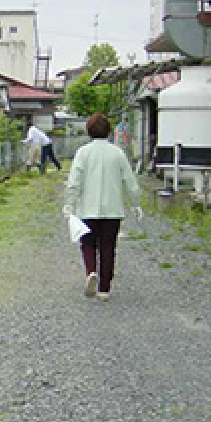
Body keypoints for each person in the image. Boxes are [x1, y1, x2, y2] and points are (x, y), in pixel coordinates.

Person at [63, 112, 142, 302]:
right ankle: (104, 288)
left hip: (87, 209)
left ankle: (91, 271)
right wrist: (135, 203)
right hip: (112, 210)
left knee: (88, 243)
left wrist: (69, 205)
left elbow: (74, 182)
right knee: (108, 247)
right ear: (108, 131)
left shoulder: (83, 153)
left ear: (89, 131)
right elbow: (130, 182)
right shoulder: (117, 153)